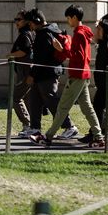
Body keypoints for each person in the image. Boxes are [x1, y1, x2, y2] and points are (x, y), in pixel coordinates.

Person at [29, 5, 105, 148]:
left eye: (69, 18)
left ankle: (48, 137)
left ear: (74, 17)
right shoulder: (84, 32)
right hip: (83, 74)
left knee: (62, 107)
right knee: (87, 108)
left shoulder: (79, 34)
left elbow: (78, 57)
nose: (68, 21)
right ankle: (99, 137)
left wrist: (62, 49)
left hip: (77, 75)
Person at [23, 8, 77, 140]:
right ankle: (35, 128)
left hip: (47, 73)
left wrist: (32, 74)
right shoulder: (49, 31)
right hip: (43, 73)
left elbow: (41, 58)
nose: (30, 26)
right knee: (34, 100)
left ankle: (69, 126)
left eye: (30, 23)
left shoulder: (45, 34)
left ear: (37, 21)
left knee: (51, 100)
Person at [8, 10, 35, 137]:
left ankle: (27, 124)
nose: (16, 22)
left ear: (26, 21)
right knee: (28, 99)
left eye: (19, 19)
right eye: (15, 20)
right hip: (27, 71)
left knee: (15, 97)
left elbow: (24, 51)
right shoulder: (31, 33)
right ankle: (32, 126)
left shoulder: (25, 34)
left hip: (25, 71)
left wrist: (10, 55)